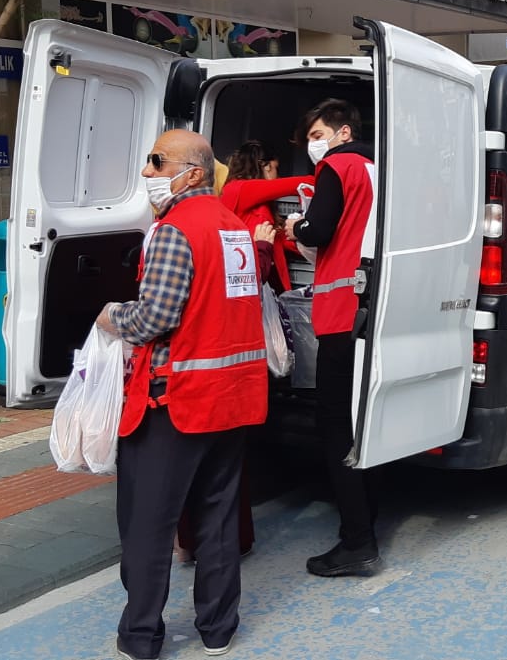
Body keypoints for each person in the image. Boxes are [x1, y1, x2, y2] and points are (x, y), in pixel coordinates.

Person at [96, 129, 268, 659]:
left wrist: (109, 317)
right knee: (216, 519)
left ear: (193, 172)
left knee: (148, 523)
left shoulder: (174, 230)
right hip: (233, 396)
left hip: (176, 399)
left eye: (157, 162)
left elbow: (156, 317)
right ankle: (218, 629)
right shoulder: (233, 229)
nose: (148, 172)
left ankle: (142, 636)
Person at [282, 99, 383, 578]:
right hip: (374, 310)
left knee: (336, 427)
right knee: (364, 420)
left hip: (341, 312)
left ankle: (357, 541)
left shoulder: (337, 169)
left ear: (344, 132)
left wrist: (295, 226)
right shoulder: (376, 168)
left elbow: (318, 229)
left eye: (319, 132)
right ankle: (369, 516)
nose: (313, 142)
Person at [219, 140, 316, 292]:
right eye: (276, 168)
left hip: (263, 278)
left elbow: (278, 237)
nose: (277, 175)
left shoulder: (255, 202)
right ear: (266, 166)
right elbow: (304, 183)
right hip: (247, 277)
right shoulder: (238, 189)